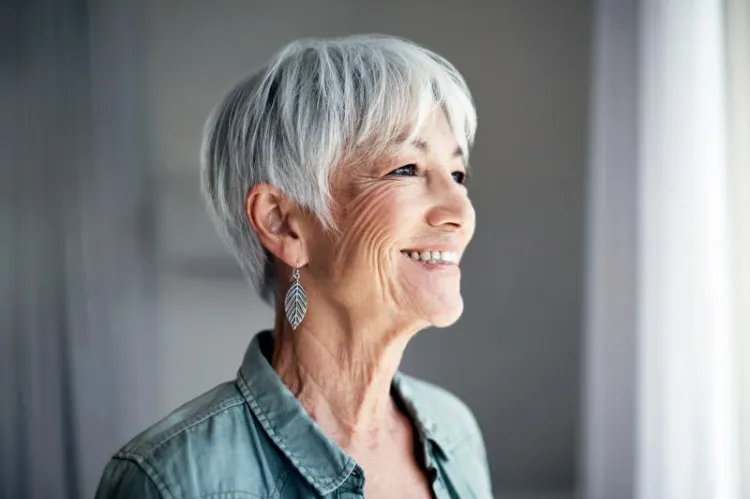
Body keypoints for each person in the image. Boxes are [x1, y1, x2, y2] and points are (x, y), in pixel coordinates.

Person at [95, 34, 493, 499]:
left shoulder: (455, 432)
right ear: (282, 223)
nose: (460, 212)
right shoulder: (172, 481)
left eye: (458, 175)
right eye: (407, 168)